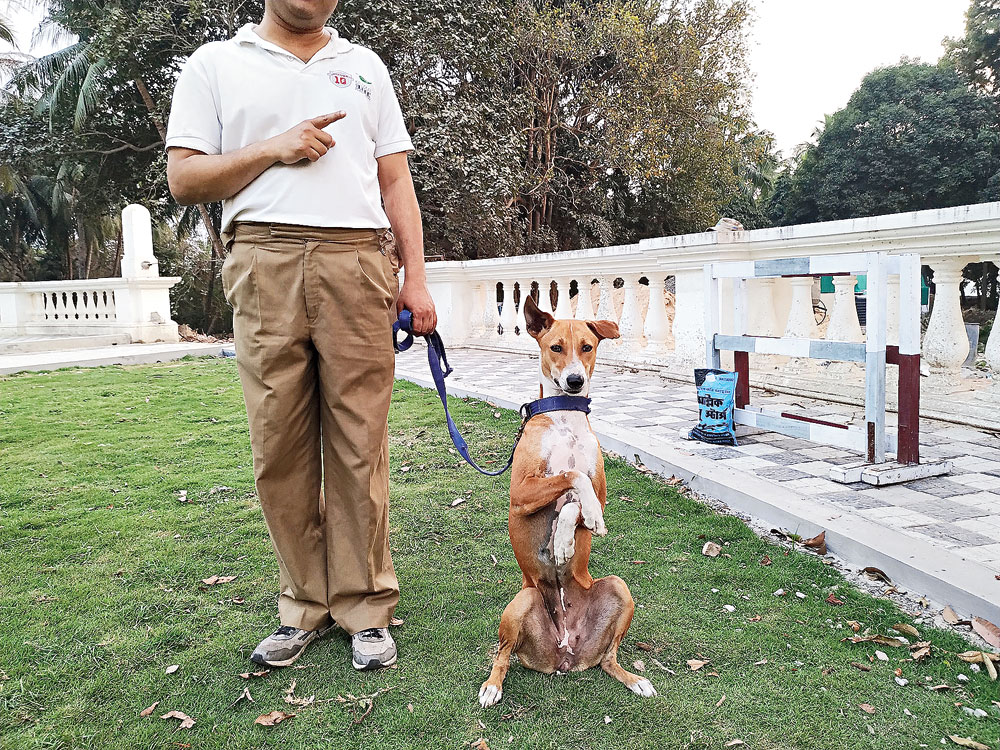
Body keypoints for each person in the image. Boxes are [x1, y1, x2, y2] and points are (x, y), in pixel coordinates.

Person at [164, 0, 436, 671]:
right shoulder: (217, 64)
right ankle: (304, 606)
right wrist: (271, 148)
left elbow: (395, 177)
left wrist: (419, 281)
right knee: (278, 444)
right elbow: (184, 177)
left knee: (359, 443)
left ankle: (366, 607)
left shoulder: (365, 67)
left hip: (358, 261)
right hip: (263, 259)